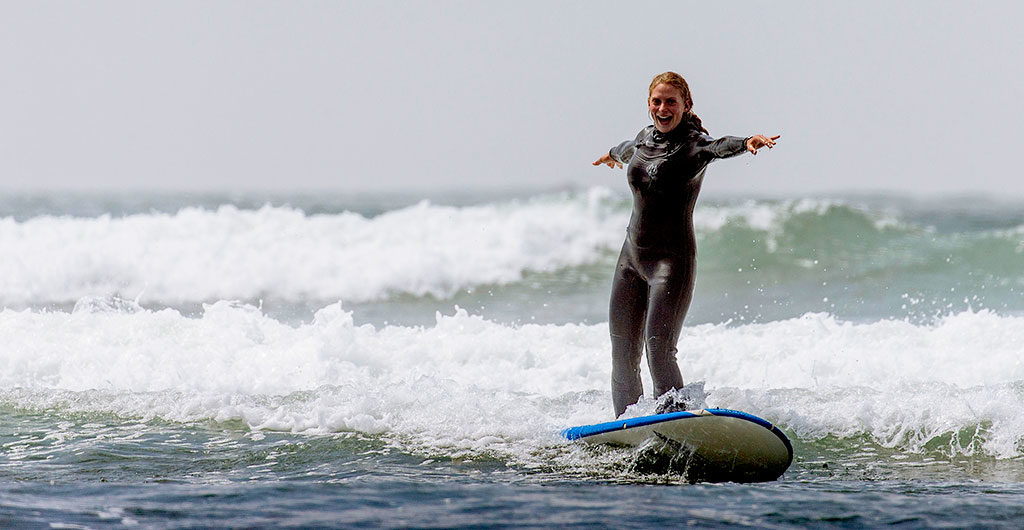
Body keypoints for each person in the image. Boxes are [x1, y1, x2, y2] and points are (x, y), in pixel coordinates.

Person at [593, 71, 779, 417]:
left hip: (671, 262)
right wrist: (610, 155)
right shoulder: (643, 140)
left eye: (671, 102)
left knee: (658, 349)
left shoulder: (693, 145)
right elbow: (625, 149)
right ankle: (627, 425)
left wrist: (746, 142)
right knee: (622, 352)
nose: (663, 108)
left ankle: (676, 422)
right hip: (630, 260)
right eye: (657, 101)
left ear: (685, 105)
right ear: (649, 105)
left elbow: (718, 146)